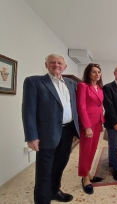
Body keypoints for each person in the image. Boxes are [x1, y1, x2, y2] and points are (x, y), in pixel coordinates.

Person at [22, 54, 79, 203]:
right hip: (46, 133)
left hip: (67, 132)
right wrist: (31, 136)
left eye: (59, 63)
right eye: (52, 62)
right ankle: (42, 200)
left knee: (60, 165)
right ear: (46, 65)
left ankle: (54, 191)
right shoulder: (34, 82)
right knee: (44, 170)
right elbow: (28, 111)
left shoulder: (71, 83)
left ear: (65, 67)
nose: (56, 65)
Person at [76, 63, 105, 194]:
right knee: (85, 151)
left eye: (98, 72)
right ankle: (84, 177)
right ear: (88, 73)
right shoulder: (83, 86)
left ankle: (89, 174)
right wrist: (87, 126)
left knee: (93, 150)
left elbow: (99, 105)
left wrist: (101, 122)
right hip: (88, 123)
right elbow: (81, 107)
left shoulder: (99, 87)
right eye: (94, 72)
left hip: (98, 122)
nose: (97, 74)